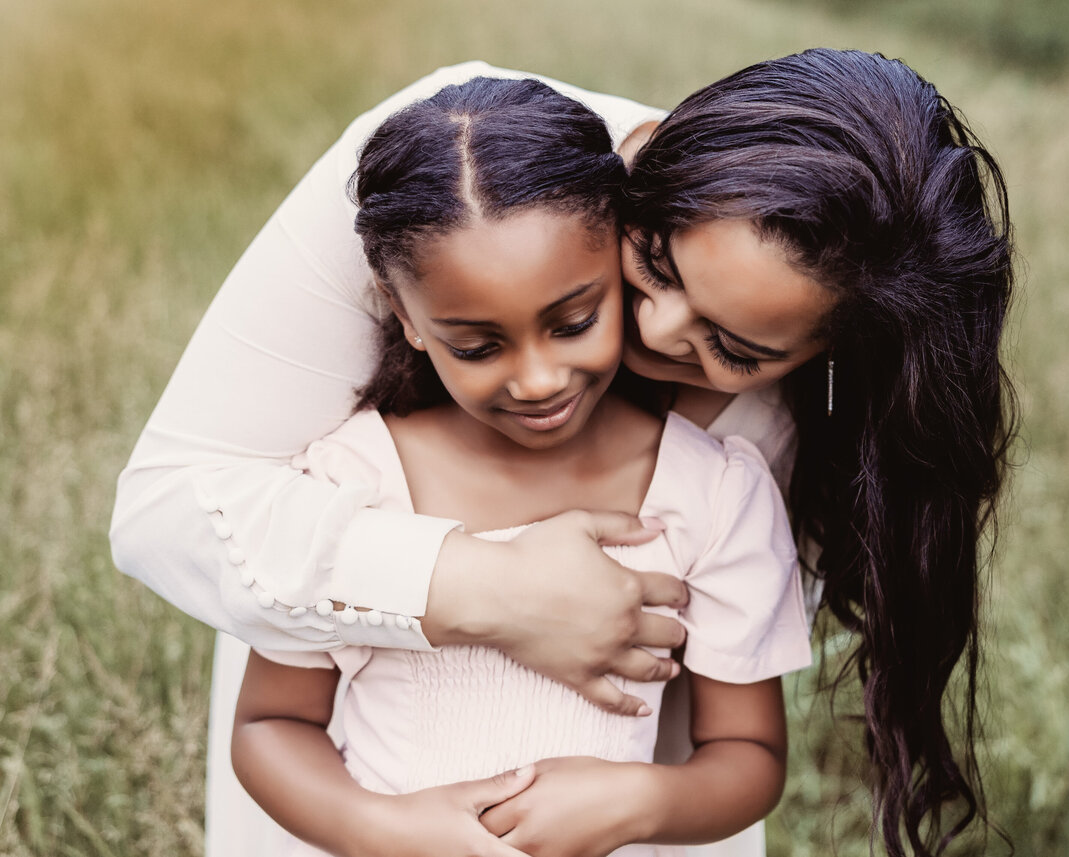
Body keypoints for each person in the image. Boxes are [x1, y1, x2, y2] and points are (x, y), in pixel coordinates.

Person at [111, 49, 1016, 857]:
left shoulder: (733, 478)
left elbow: (724, 747)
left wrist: (637, 800)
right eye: (655, 262)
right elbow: (174, 523)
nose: (653, 331)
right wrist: (490, 591)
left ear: (828, 364)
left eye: (738, 349)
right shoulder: (457, 199)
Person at [229, 75, 811, 857]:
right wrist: (385, 827)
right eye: (476, 345)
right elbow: (272, 723)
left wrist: (637, 799)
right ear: (407, 318)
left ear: (619, 263)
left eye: (574, 321)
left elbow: (749, 756)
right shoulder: (351, 480)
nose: (537, 380)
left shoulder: (712, 492)